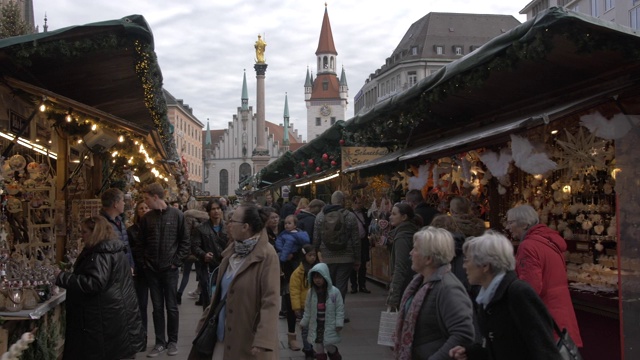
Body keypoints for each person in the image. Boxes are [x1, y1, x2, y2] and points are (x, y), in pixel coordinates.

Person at [449, 231, 562, 360]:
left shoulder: (518, 292)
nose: (464, 266)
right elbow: (500, 347)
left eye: (467, 260)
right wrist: (470, 352)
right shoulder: (487, 296)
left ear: (485, 265)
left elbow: (544, 348)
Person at [188, 203, 280, 360]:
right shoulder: (232, 251)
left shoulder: (267, 256)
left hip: (248, 341)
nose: (228, 224)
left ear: (245, 227)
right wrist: (204, 320)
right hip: (221, 336)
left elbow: (270, 301)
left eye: (232, 221)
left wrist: (263, 339)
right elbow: (220, 293)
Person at [56, 216, 144, 359]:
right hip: (115, 312)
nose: (82, 236)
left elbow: (94, 283)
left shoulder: (101, 254)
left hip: (105, 315)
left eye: (84, 232)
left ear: (95, 232)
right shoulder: (113, 250)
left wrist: (61, 277)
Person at [505, 204, 582, 347]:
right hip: (560, 312)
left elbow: (529, 288)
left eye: (510, 222)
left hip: (545, 316)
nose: (507, 227)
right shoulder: (547, 241)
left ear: (525, 224)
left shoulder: (528, 246)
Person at [394, 227, 475, 360]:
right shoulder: (419, 282)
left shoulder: (448, 288)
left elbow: (463, 333)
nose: (411, 252)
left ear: (428, 259)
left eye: (415, 249)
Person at [133, 183, 190, 357]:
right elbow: (140, 243)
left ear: (155, 197)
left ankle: (172, 341)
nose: (145, 202)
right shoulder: (147, 218)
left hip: (170, 270)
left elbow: (185, 242)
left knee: (171, 307)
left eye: (147, 198)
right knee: (157, 307)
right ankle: (159, 342)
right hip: (152, 269)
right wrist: (145, 263)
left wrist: (176, 262)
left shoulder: (177, 215)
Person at [313, 191, 360, 310]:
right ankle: (338, 311)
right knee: (341, 286)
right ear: (343, 201)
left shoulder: (320, 216)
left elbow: (316, 238)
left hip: (326, 256)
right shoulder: (350, 216)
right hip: (346, 256)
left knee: (329, 284)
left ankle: (330, 309)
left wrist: (315, 253)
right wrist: (357, 259)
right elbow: (355, 239)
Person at [275, 215, 311, 351]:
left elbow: (306, 247)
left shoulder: (298, 235)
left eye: (275, 218)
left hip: (298, 270)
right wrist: (281, 256)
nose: (274, 220)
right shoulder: (279, 235)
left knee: (303, 304)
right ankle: (292, 338)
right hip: (286, 272)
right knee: (290, 302)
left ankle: (307, 340)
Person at [300, 262, 345, 360]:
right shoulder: (311, 293)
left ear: (325, 277)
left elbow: (339, 309)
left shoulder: (334, 292)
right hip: (316, 325)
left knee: (328, 345)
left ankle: (335, 355)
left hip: (329, 324)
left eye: (320, 277)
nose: (317, 280)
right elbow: (307, 309)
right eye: (315, 278)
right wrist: (304, 322)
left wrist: (339, 323)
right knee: (319, 346)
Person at [191, 199, 228, 310]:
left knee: (224, 301)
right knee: (209, 302)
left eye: (218, 208)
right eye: (213, 209)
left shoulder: (228, 227)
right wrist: (204, 254)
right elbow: (194, 246)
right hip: (208, 268)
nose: (216, 211)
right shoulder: (201, 228)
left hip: (225, 267)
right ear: (208, 212)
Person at [386, 203, 421, 311]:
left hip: (404, 285)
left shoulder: (402, 237)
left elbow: (400, 267)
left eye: (394, 214)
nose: (390, 216)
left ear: (404, 217)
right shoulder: (412, 232)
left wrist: (393, 296)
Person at [127, 200, 151, 351]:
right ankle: (141, 337)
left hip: (153, 270)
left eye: (146, 207)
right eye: (141, 208)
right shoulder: (131, 231)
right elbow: (129, 251)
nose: (144, 210)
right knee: (140, 305)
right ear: (137, 212)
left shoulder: (154, 228)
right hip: (139, 272)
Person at [290, 244, 320, 360]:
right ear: (304, 256)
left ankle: (310, 347)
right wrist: (296, 307)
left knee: (315, 328)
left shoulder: (319, 269)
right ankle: (308, 350)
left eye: (314, 255)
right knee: (306, 329)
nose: (312, 257)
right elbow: (294, 290)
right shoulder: (299, 273)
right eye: (310, 255)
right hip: (304, 306)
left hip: (317, 304)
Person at [179, 199, 209, 305]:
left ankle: (179, 294)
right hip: (200, 249)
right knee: (201, 274)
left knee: (186, 274)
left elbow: (185, 234)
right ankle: (202, 296)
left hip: (190, 250)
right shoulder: (204, 218)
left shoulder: (187, 217)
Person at [100, 188, 134, 272]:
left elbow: (126, 246)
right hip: (114, 270)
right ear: (115, 204)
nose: (124, 203)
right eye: (122, 201)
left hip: (124, 268)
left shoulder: (119, 221)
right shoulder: (102, 223)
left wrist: (130, 264)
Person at [349, 195, 372, 294]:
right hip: (352, 242)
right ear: (353, 203)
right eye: (358, 203)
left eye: (361, 203)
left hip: (363, 241)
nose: (360, 205)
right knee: (353, 264)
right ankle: (354, 285)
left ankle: (362, 285)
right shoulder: (349, 213)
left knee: (363, 264)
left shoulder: (365, 212)